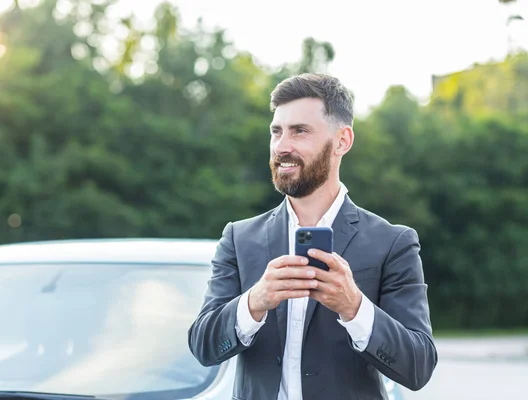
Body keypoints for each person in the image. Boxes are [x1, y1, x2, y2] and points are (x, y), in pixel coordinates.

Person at [187, 73, 438, 400]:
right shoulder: (239, 238)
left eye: (300, 131)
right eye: (276, 132)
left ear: (342, 141)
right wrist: (254, 302)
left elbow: (418, 367)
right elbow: (203, 348)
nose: (282, 146)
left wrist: (354, 307)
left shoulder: (393, 243)